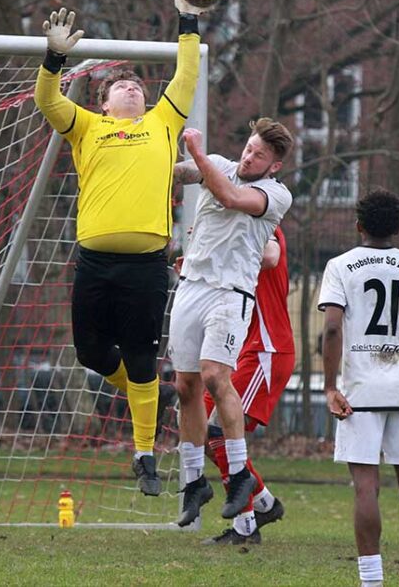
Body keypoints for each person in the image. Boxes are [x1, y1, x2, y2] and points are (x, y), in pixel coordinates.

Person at [33, 0, 208, 496]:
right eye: (121, 86)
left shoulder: (162, 124)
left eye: (136, 85)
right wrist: (53, 58)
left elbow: (187, 74)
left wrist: (188, 20)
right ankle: (146, 399)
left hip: (147, 265)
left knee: (139, 356)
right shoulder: (88, 126)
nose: (132, 88)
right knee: (90, 351)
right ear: (104, 102)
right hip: (94, 261)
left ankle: (146, 456)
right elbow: (47, 99)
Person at [318, 188, 399, 587]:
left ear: (359, 225)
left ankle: (372, 579)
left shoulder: (340, 266)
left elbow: (333, 327)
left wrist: (329, 386)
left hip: (360, 390)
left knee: (366, 486)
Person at [169, 119, 294, 528]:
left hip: (230, 295)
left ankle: (243, 487)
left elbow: (227, 196)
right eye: (249, 146)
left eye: (260, 154)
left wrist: (198, 152)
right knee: (184, 385)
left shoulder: (273, 195)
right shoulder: (219, 164)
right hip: (192, 287)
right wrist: (144, 148)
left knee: (213, 378)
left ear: (274, 166)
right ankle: (194, 484)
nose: (248, 155)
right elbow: (178, 172)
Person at [198, 226, 293, 545]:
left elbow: (269, 255)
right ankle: (264, 503)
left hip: (266, 351)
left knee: (220, 432)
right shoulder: (233, 226)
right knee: (200, 432)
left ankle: (245, 526)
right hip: (243, 349)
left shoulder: (265, 225)